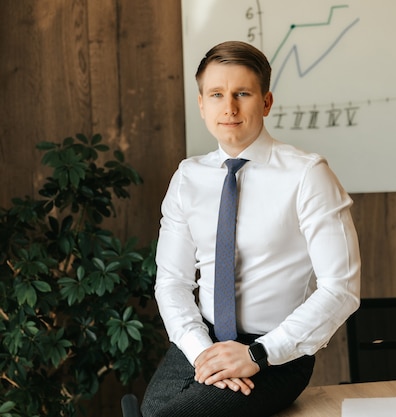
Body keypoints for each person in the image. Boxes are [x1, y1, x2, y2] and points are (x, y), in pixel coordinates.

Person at [141, 41, 361, 417]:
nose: (229, 107)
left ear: (266, 102)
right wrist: (203, 353)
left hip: (279, 350)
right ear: (201, 104)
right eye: (216, 94)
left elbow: (341, 289)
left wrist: (258, 353)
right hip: (202, 339)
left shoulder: (307, 175)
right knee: (152, 413)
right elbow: (172, 283)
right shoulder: (187, 178)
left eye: (242, 93)